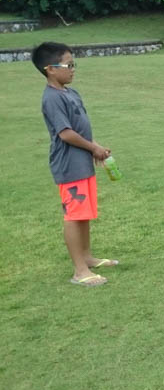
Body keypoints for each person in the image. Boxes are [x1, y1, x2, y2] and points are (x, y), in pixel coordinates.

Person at [32, 42, 119, 287]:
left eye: (73, 64)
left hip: (82, 162)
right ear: (50, 69)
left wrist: (96, 146)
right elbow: (66, 134)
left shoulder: (70, 92)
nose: (73, 69)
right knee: (74, 214)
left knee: (84, 214)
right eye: (68, 65)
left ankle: (87, 257)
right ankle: (80, 271)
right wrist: (92, 148)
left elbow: (79, 127)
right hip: (69, 165)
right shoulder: (51, 98)